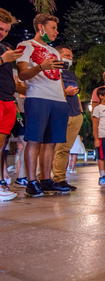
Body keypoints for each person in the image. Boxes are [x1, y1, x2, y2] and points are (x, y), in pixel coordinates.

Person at [16, 14, 71, 196]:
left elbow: (59, 78)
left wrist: (64, 99)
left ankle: (46, 180)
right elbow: (23, 74)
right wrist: (41, 66)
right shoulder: (26, 46)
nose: (56, 31)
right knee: (34, 141)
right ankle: (32, 182)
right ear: (41, 27)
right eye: (53, 27)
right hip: (37, 97)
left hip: (58, 101)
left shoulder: (55, 51)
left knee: (51, 142)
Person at [49, 45, 82, 191]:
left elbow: (76, 94)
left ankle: (60, 179)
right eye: (67, 55)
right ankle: (42, 178)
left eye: (71, 56)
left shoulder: (71, 74)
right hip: (59, 113)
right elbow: (48, 90)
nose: (70, 58)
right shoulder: (51, 71)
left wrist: (80, 111)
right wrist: (65, 92)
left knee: (65, 149)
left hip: (75, 114)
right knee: (51, 148)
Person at [0, 8, 23, 201]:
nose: (2, 33)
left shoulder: (5, 46)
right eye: (0, 28)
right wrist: (2, 59)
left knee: (1, 145)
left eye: (6, 30)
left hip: (8, 101)